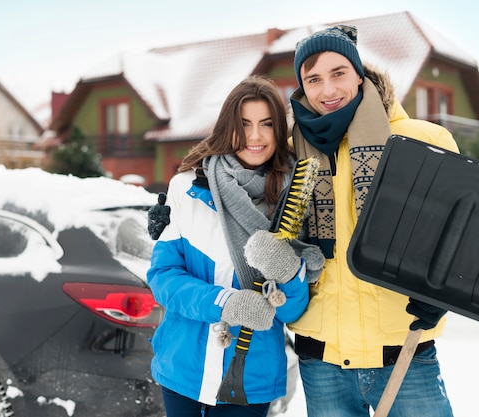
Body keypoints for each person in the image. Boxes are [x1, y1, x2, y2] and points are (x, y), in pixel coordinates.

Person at [287, 25, 457, 416]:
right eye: (313, 79)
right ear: (302, 88)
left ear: (360, 74)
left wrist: (443, 293)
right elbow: (241, 175)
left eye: (338, 73)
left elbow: (459, 234)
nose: (327, 90)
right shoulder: (292, 150)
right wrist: (183, 197)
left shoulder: (421, 140)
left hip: (405, 353)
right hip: (322, 359)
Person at [147, 75, 323, 417]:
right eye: (244, 125)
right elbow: (162, 277)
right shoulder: (187, 189)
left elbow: (292, 312)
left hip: (250, 378)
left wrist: (288, 272)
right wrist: (224, 303)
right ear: (227, 128)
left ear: (279, 131)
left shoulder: (293, 201)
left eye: (266, 124)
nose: (254, 136)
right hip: (183, 368)